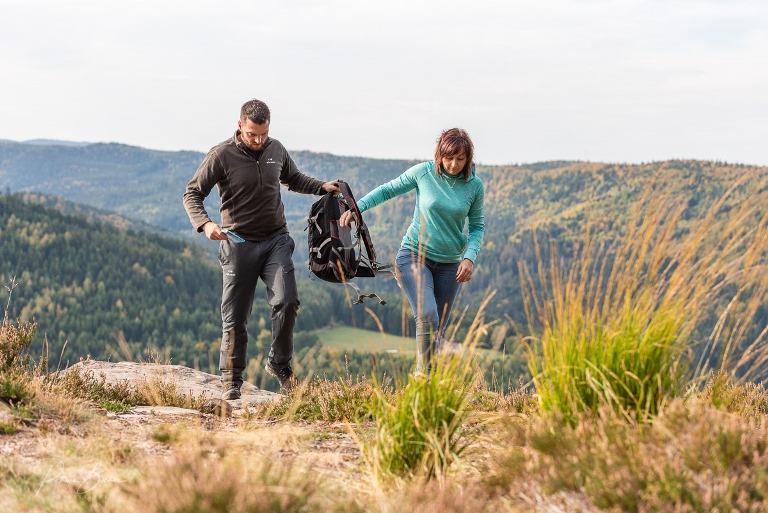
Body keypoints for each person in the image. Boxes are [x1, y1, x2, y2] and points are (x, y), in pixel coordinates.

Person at [183, 99, 339, 399]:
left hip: (275, 241)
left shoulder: (276, 149)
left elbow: (293, 178)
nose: (258, 140)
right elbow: (192, 194)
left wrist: (322, 187)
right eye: (253, 134)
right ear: (240, 125)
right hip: (237, 243)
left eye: (263, 134)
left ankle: (279, 363)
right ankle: (231, 380)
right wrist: (205, 225)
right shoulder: (221, 155)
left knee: (287, 300)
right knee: (235, 315)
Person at [340, 128, 485, 374]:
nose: (453, 164)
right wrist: (357, 208)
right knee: (427, 315)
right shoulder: (424, 172)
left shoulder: (474, 186)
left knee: (436, 330)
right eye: (448, 158)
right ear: (439, 154)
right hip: (414, 256)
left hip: (450, 265)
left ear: (468, 159)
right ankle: (422, 378)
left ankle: (430, 390)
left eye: (460, 159)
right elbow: (388, 190)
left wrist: (469, 258)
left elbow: (477, 227)